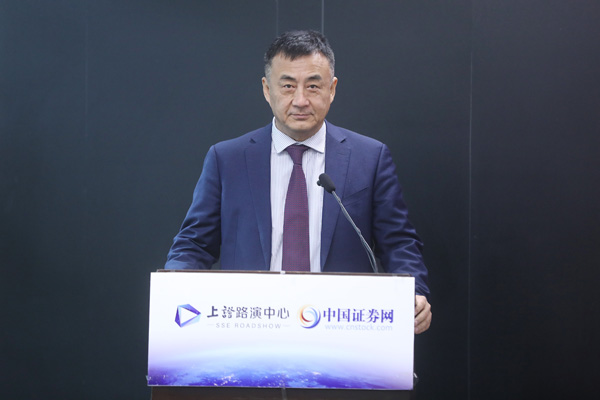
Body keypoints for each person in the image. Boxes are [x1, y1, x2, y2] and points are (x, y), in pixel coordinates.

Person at [165, 30, 432, 334]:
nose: (301, 100)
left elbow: (398, 242)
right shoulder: (227, 159)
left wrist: (414, 292)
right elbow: (195, 243)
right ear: (267, 90)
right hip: (250, 327)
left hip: (340, 328)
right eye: (288, 86)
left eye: (313, 86)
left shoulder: (369, 158)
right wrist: (172, 289)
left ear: (332, 89)